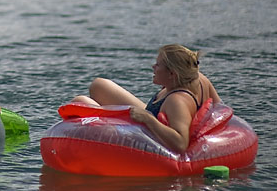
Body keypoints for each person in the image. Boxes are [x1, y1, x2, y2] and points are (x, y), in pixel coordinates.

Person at [71, 44, 220, 153]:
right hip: (151, 115)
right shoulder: (199, 78)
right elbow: (220, 108)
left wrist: (148, 119)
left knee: (81, 102)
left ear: (172, 74)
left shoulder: (177, 101)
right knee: (99, 85)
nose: (153, 67)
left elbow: (180, 143)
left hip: (147, 131)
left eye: (158, 65)